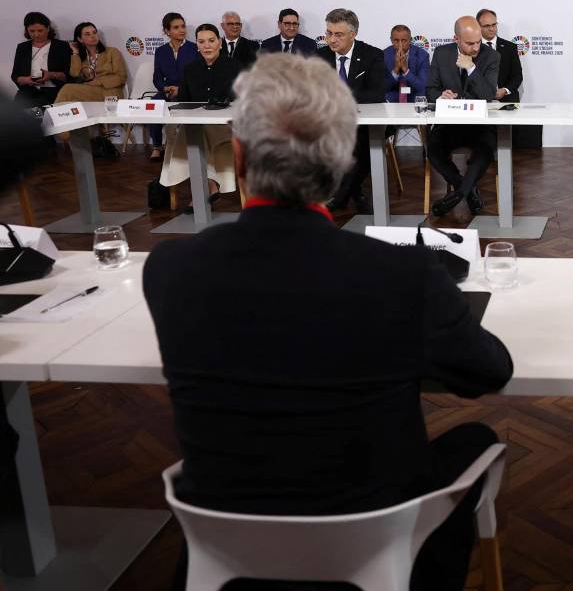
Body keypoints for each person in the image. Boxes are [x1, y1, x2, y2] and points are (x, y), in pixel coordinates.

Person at [144, 52, 512, 591]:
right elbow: (490, 371)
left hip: (227, 541)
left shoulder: (170, 269)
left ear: (239, 157)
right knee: (475, 438)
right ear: (342, 161)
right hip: (374, 543)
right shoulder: (403, 274)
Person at [159, 24, 239, 211]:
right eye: (201, 42)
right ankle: (210, 186)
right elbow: (184, 101)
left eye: (211, 41)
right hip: (197, 124)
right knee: (191, 130)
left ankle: (202, 191)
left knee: (194, 132)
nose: (207, 46)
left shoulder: (234, 66)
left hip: (226, 125)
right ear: (197, 45)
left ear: (220, 42)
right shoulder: (190, 69)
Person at [426, 16, 500, 216]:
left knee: (485, 150)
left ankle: (458, 194)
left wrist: (471, 68)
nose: (476, 48)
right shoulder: (442, 53)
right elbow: (430, 89)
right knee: (433, 149)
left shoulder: (491, 56)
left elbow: (488, 94)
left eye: (478, 42)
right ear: (456, 39)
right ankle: (466, 190)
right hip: (449, 124)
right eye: (470, 43)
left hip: (479, 125)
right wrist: (440, 96)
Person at [315, 8, 387, 213]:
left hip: (364, 122)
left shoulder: (372, 55)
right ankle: (355, 192)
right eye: (329, 33)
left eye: (338, 34)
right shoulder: (319, 57)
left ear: (353, 34)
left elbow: (377, 93)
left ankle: (339, 197)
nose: (332, 39)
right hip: (329, 123)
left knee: (361, 143)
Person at [150, 12, 200, 161]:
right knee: (154, 104)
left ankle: (182, 146)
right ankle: (157, 146)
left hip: (188, 92)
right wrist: (165, 88)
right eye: (176, 27)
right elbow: (157, 77)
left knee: (178, 103)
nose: (182, 30)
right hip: (168, 91)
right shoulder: (161, 51)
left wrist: (181, 89)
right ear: (167, 31)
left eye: (183, 26)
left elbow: (198, 75)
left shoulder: (195, 48)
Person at [55, 22, 128, 104]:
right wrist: (75, 52)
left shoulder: (112, 52)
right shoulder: (81, 57)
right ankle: (55, 111)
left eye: (94, 32)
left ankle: (51, 111)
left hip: (110, 93)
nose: (93, 36)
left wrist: (98, 82)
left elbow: (121, 77)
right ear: (80, 39)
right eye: (87, 34)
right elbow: (74, 74)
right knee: (68, 95)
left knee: (67, 89)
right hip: (90, 92)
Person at [10, 12, 72, 108]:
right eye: (32, 31)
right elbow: (15, 75)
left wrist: (51, 75)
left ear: (48, 28)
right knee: (14, 112)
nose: (36, 34)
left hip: (54, 91)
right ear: (27, 30)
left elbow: (68, 76)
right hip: (28, 91)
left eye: (40, 30)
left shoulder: (61, 46)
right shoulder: (22, 47)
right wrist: (26, 80)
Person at [477, 9, 523, 102]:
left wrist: (505, 90)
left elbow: (517, 76)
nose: (491, 29)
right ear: (478, 26)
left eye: (494, 24)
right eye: (487, 26)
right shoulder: (472, 46)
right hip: (479, 100)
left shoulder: (510, 47)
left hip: (506, 100)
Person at [384, 24, 430, 103]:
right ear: (391, 40)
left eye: (404, 40)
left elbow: (422, 86)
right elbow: (383, 87)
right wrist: (395, 70)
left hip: (414, 100)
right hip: (391, 101)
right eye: (396, 40)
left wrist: (406, 71)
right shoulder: (384, 55)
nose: (400, 44)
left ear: (410, 40)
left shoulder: (422, 55)